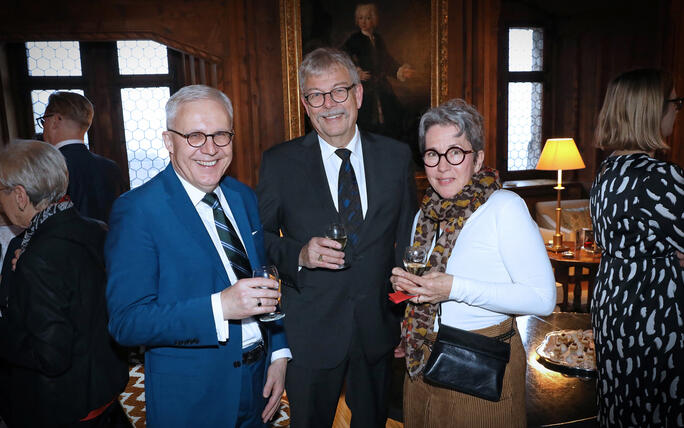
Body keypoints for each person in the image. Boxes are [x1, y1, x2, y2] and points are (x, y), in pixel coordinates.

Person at [105, 84, 290, 427]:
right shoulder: (137, 211)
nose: (210, 149)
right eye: (194, 136)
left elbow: (265, 280)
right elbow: (127, 322)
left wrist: (279, 354)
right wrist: (219, 307)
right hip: (194, 399)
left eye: (221, 135)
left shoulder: (243, 196)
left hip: (258, 380)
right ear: (168, 141)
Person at [257, 47, 416, 427]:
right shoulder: (280, 163)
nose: (329, 104)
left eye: (338, 91)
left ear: (358, 94)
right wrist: (299, 254)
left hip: (378, 329)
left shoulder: (395, 157)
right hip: (311, 332)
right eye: (316, 95)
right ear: (305, 104)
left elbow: (408, 246)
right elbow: (256, 238)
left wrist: (402, 313)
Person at [390, 99, 556, 427]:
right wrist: (409, 288)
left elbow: (543, 298)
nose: (442, 166)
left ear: (477, 158)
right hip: (422, 362)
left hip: (481, 368)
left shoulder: (504, 208)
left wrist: (453, 288)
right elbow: (428, 287)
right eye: (432, 154)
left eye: (455, 152)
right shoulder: (425, 214)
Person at [0, 140, 129, 427]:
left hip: (62, 405)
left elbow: (50, 356)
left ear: (20, 195)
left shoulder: (37, 254)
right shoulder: (96, 229)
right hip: (103, 388)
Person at [590, 69, 683, 427]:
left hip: (615, 301)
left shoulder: (609, 171)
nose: (677, 110)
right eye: (674, 102)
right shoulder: (659, 177)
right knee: (659, 407)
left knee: (623, 404)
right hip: (653, 310)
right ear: (651, 110)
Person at [39, 91, 125, 223]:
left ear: (55, 120)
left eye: (44, 120)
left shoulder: (46, 168)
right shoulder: (111, 168)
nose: (43, 126)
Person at [342, 3, 415, 138]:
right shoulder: (354, 39)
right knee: (366, 121)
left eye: (368, 18)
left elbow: (386, 60)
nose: (364, 22)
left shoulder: (378, 39)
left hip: (381, 85)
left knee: (392, 118)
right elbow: (343, 57)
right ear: (357, 20)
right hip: (365, 87)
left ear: (374, 20)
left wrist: (400, 70)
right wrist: (356, 72)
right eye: (360, 18)